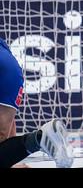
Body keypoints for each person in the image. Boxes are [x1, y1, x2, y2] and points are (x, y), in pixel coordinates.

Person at [0, 37, 73, 168]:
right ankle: (40, 138)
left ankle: (40, 138)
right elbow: (8, 126)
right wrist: (13, 160)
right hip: (10, 67)